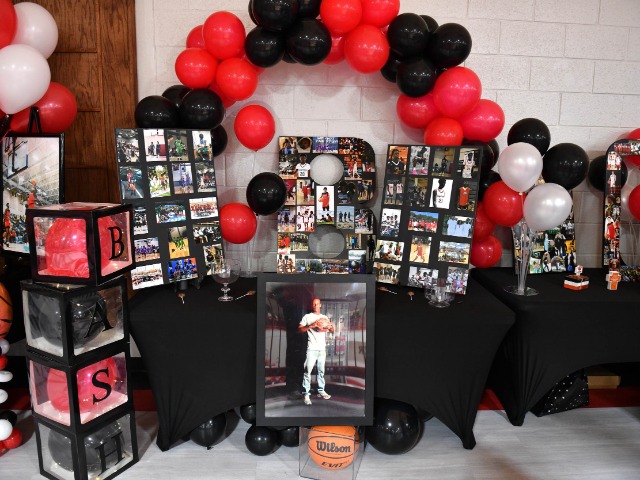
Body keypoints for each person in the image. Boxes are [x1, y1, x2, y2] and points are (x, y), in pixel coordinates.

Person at [298, 298, 335, 405]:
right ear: (312, 305)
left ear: (320, 305)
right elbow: (299, 329)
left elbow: (332, 330)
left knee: (321, 371)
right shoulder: (307, 317)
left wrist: (330, 327)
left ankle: (321, 391)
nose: (315, 306)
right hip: (311, 348)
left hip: (322, 349)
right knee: (307, 371)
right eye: (314, 304)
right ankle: (306, 394)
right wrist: (311, 325)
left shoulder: (324, 317)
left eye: (317, 304)